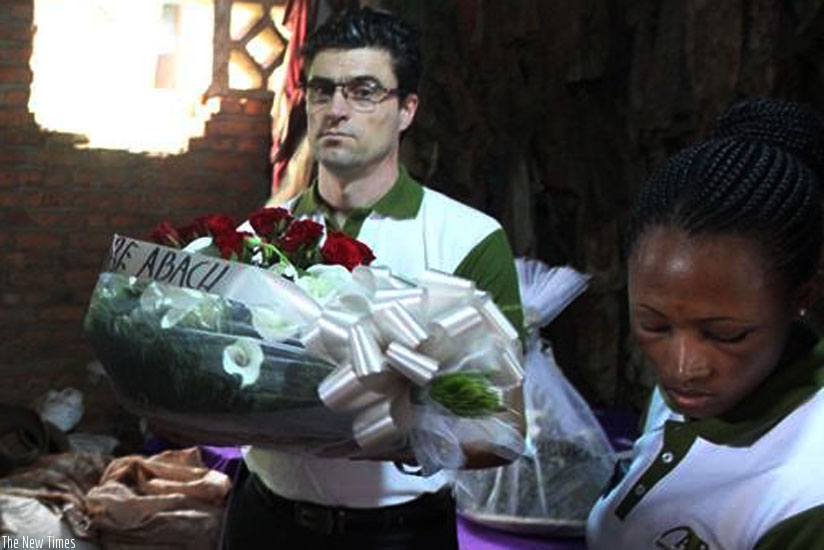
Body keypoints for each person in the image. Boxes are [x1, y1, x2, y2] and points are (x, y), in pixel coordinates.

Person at [223, 7, 524, 550]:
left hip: (395, 534)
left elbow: (504, 426)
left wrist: (380, 433)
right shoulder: (257, 234)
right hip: (262, 521)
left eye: (364, 91)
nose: (336, 110)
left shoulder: (468, 238)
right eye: (321, 90)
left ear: (407, 109)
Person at [586, 97, 824, 549]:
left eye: (725, 335)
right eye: (654, 325)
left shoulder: (810, 493)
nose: (682, 366)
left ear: (801, 298)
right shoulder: (695, 395)